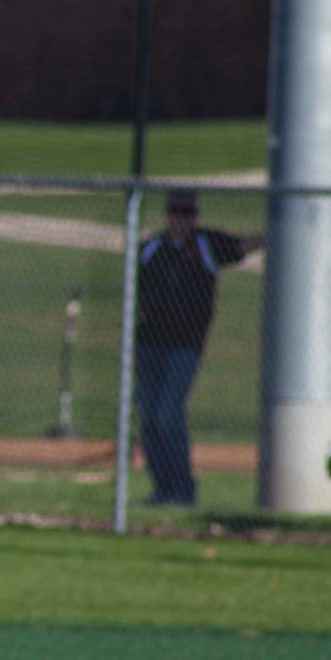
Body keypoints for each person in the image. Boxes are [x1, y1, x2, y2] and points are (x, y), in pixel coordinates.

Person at [133, 189, 261, 506]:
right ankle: (162, 489)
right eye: (176, 213)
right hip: (148, 344)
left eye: (187, 213)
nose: (181, 219)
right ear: (168, 215)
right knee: (147, 415)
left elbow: (242, 246)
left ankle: (183, 490)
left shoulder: (205, 244)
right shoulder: (152, 248)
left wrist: (281, 230)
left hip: (185, 346)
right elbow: (132, 291)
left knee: (167, 412)